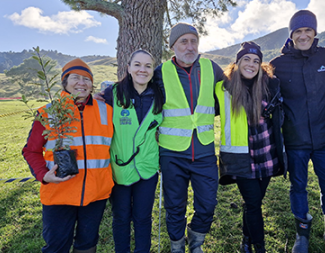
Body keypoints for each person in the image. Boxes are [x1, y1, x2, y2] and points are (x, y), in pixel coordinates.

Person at [270, 10, 325, 253]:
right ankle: (301, 235)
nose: (303, 35)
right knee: (298, 188)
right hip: (295, 142)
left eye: (308, 30)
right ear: (291, 35)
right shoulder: (277, 65)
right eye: (298, 31)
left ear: (315, 33)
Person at [22, 58, 114, 253]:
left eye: (87, 79)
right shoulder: (48, 113)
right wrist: (43, 175)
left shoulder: (107, 111)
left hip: (95, 194)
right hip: (59, 194)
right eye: (76, 78)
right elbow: (31, 150)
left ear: (92, 84)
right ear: (65, 82)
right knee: (56, 246)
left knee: (87, 245)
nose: (82, 83)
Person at [153, 22, 224, 253]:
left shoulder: (211, 68)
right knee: (175, 205)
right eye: (184, 41)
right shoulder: (160, 72)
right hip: (172, 153)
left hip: (204, 151)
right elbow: (138, 93)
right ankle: (176, 245)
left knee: (208, 204)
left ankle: (196, 241)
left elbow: (231, 94)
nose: (190, 46)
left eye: (194, 41)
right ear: (173, 46)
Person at [217, 42, 287, 253]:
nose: (251, 64)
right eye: (246, 59)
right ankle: (259, 248)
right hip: (241, 158)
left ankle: (246, 240)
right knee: (254, 203)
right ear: (237, 63)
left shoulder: (270, 86)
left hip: (267, 154)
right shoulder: (224, 88)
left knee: (253, 203)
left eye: (256, 61)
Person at [101, 49, 163, 252]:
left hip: (148, 168)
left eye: (147, 66)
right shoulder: (112, 93)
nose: (142, 70)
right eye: (137, 65)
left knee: (143, 218)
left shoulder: (160, 96)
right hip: (120, 169)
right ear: (128, 68)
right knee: (121, 217)